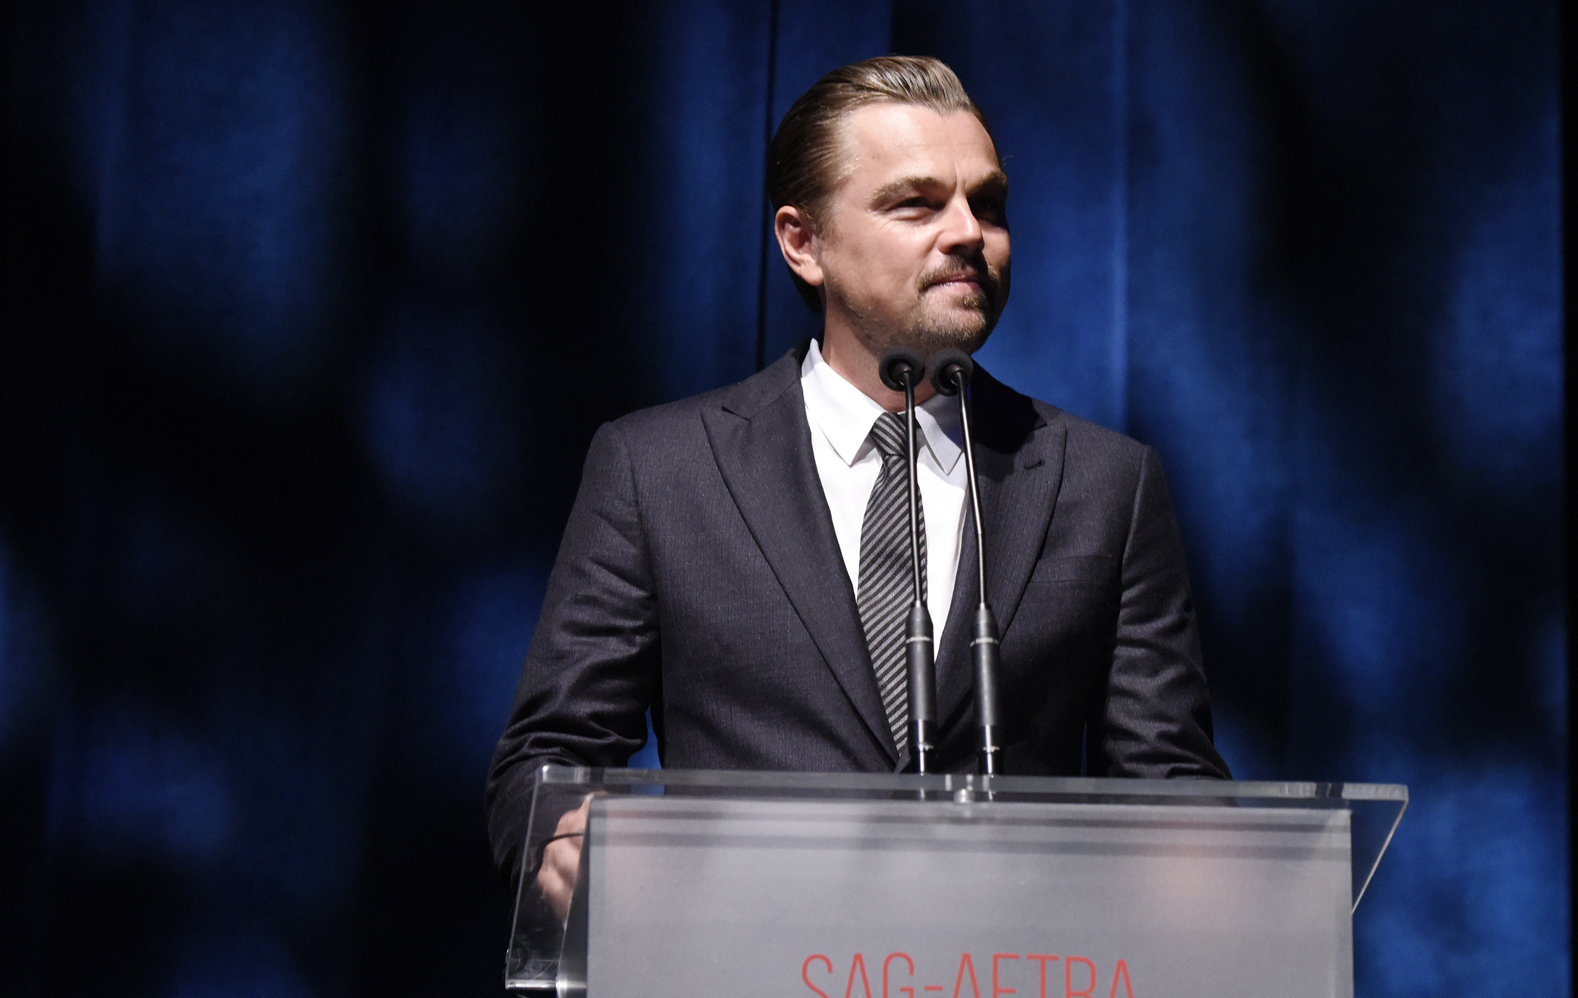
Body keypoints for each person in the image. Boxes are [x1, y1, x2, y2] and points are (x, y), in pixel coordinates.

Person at [486, 56, 1229, 913]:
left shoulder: (1107, 485)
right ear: (803, 243)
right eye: (917, 204)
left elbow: (1174, 791)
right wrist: (565, 839)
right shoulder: (659, 471)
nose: (967, 235)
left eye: (987, 206)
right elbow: (545, 763)